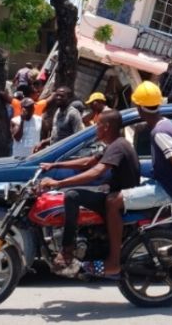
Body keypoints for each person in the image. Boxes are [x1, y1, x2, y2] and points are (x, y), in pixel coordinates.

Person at [104, 81, 172, 278]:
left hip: (166, 190)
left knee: (112, 202)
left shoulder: (159, 132)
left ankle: (114, 260)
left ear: (138, 108)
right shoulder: (166, 124)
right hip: (163, 184)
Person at [39, 109, 141, 278]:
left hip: (118, 199)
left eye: (97, 124)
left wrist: (58, 183)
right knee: (72, 195)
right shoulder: (115, 144)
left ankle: (67, 251)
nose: (95, 128)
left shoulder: (118, 146)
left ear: (106, 127)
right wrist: (54, 165)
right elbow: (88, 161)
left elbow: (96, 172)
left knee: (72, 196)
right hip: (112, 194)